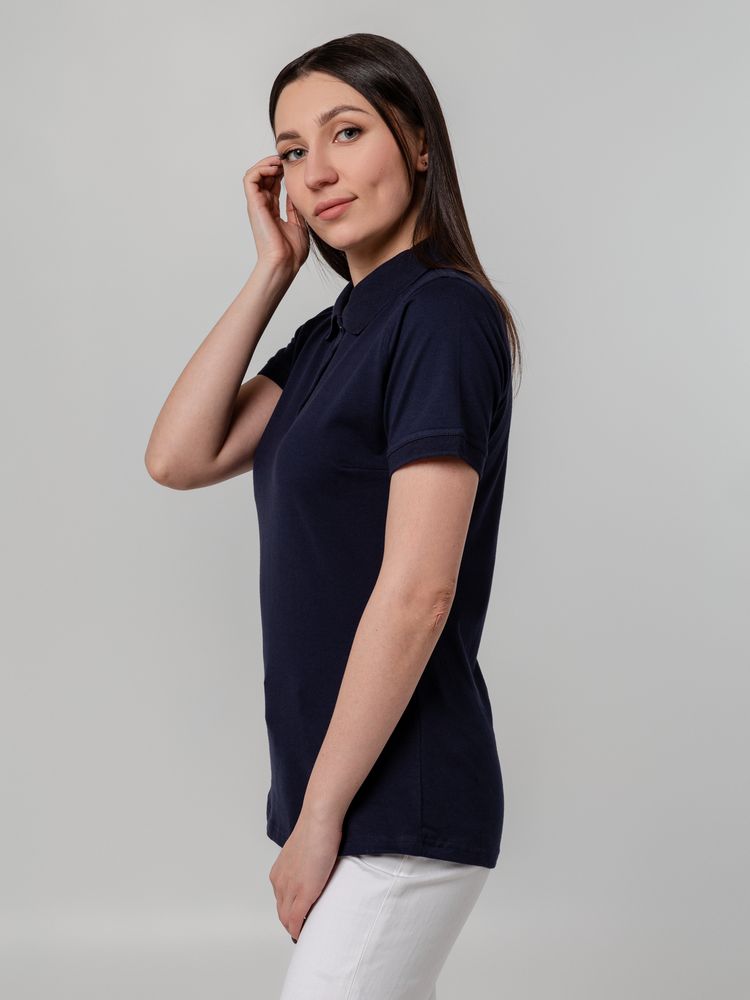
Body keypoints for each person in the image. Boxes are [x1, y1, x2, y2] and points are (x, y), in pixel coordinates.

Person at [146, 31, 521, 1000]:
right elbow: (179, 456)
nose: (317, 170)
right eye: (294, 148)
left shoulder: (441, 314)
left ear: (420, 142)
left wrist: (320, 819)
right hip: (352, 798)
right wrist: (272, 270)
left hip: (402, 798)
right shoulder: (330, 334)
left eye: (346, 131)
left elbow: (419, 591)